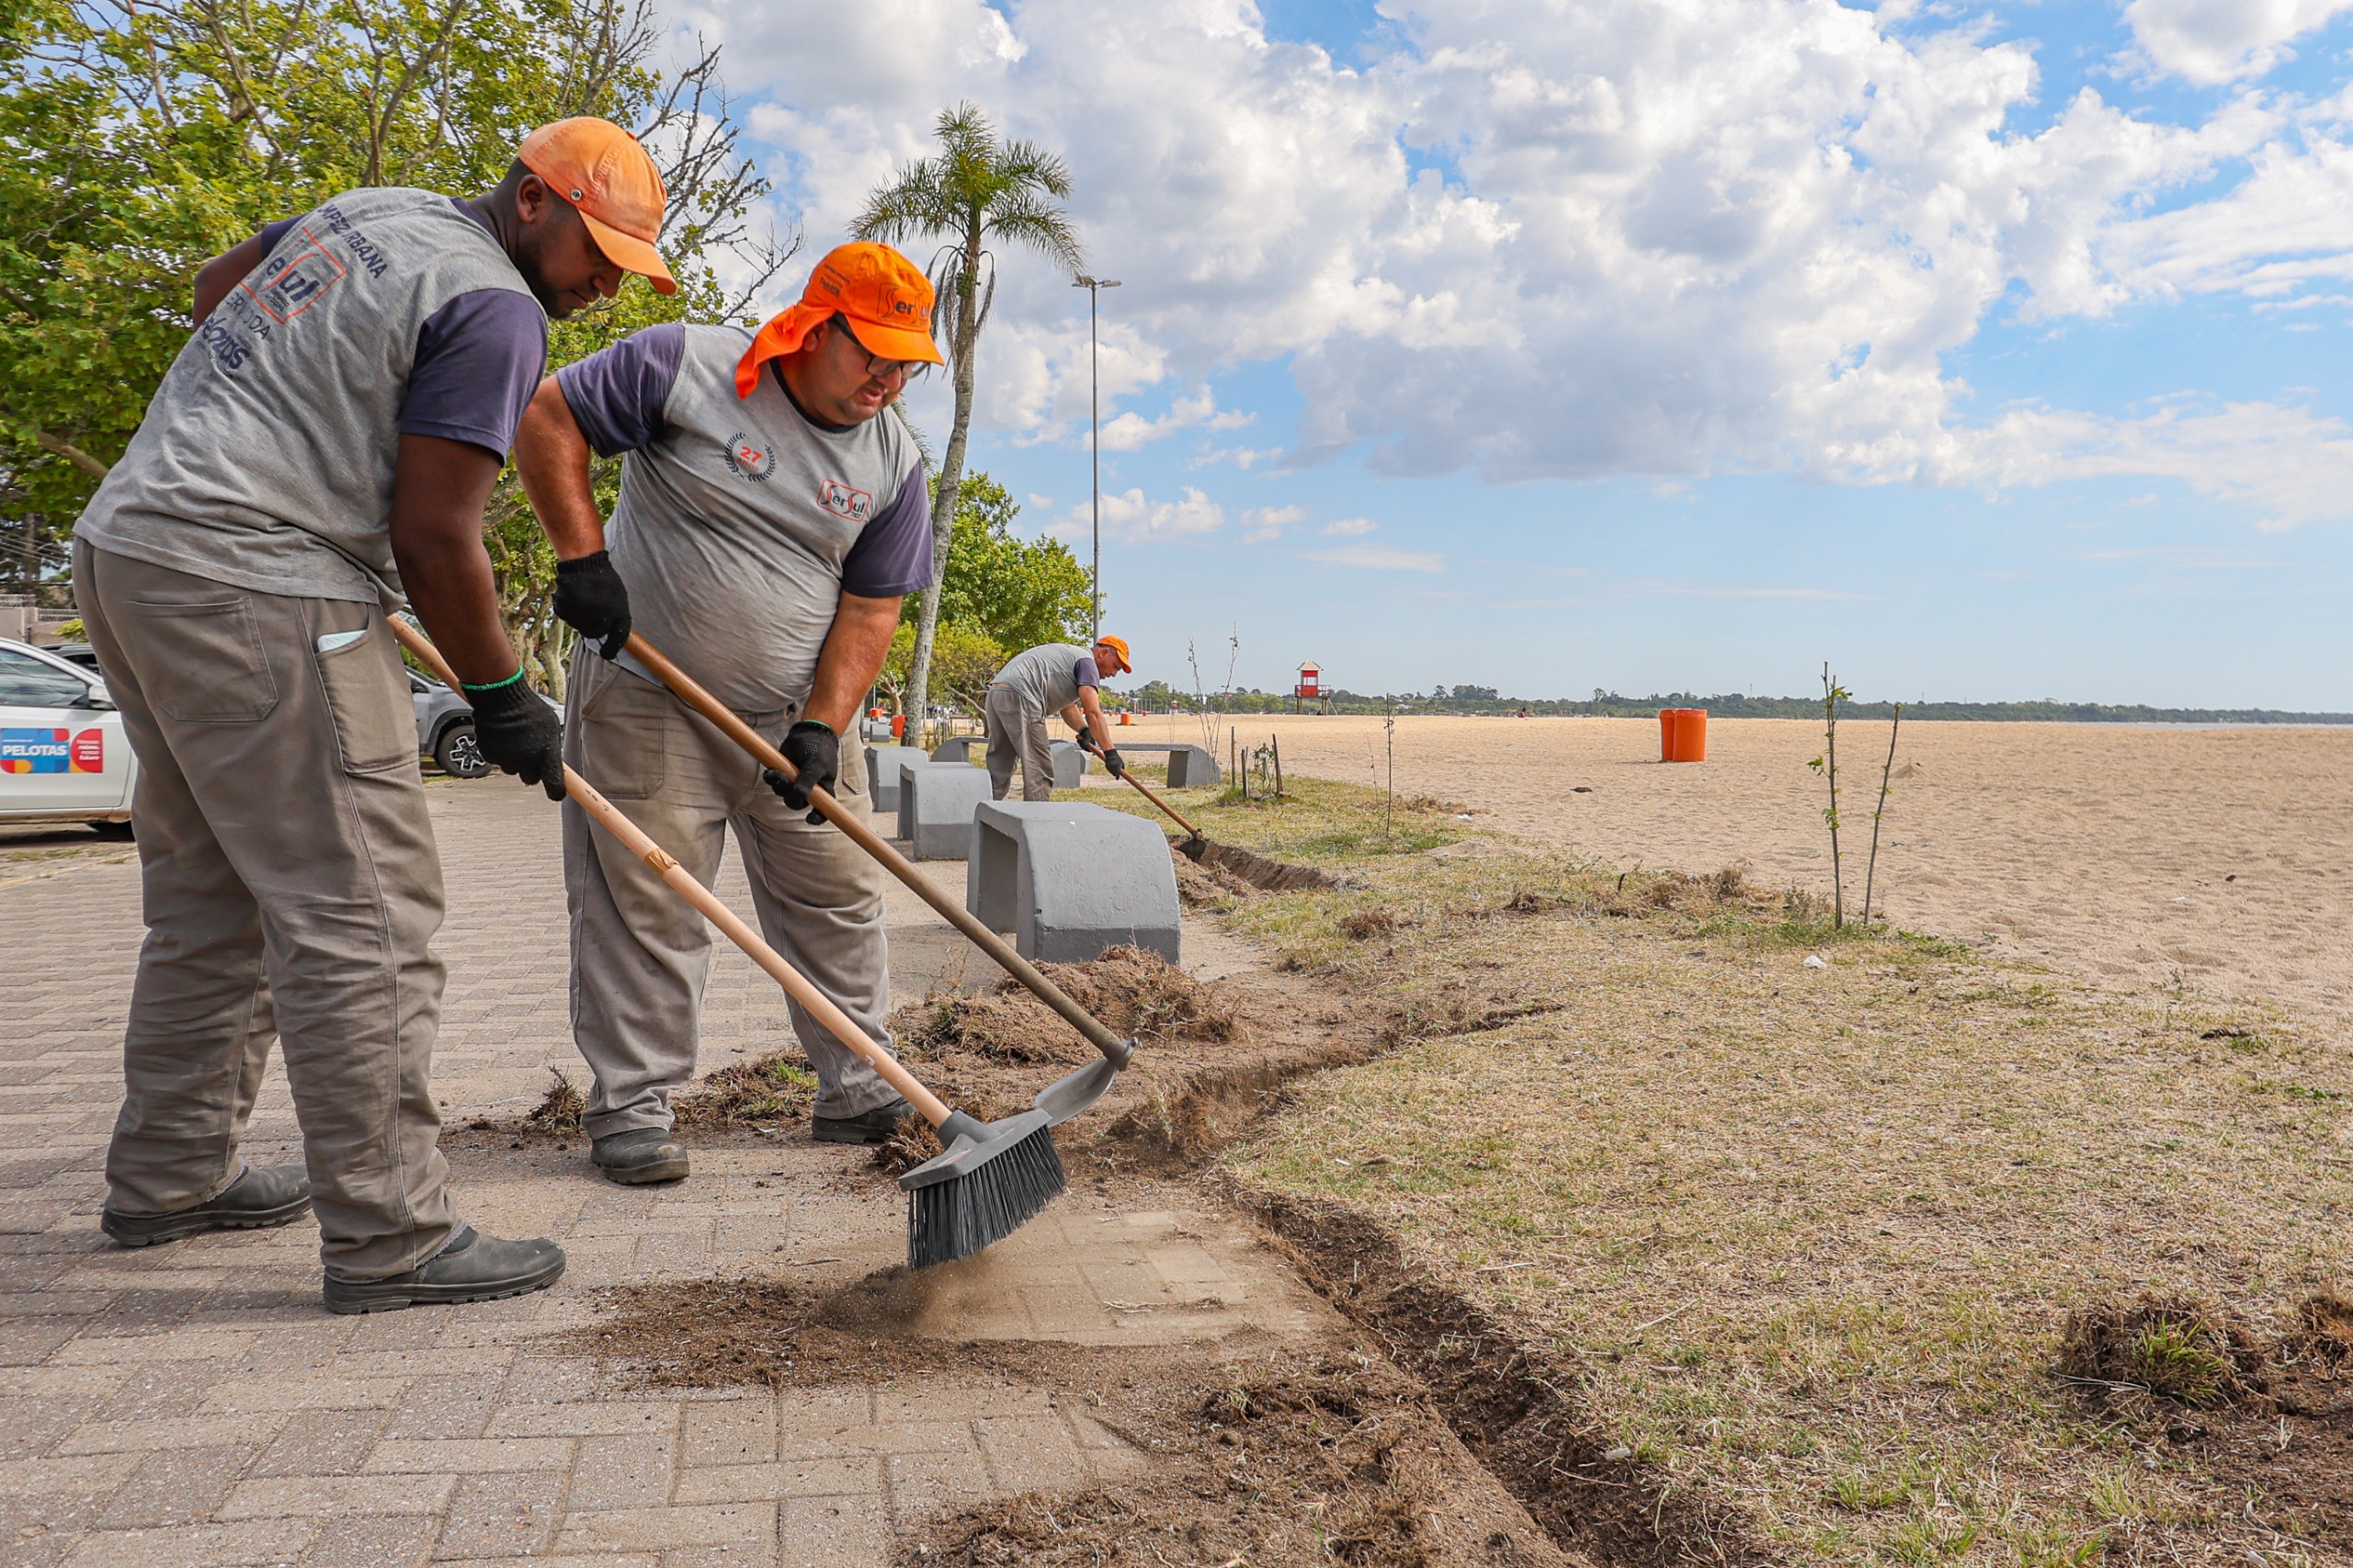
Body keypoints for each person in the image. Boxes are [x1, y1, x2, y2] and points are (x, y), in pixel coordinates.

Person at [70, 118, 675, 1312]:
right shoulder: (497, 307)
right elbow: (436, 533)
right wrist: (500, 696)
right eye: (599, 255)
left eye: (625, 271)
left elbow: (215, 287)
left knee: (213, 896)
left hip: (132, 548)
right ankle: (392, 1232)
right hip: (259, 579)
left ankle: (170, 1174)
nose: (604, 289)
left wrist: (274, 422)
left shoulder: (374, 213)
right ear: (534, 201)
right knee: (368, 912)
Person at [512, 242, 941, 1184]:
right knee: (646, 904)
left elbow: (872, 609)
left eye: (907, 363)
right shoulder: (687, 365)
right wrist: (581, 558)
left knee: (838, 896)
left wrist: (824, 724)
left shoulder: (895, 460)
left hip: (794, 716)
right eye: (874, 353)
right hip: (649, 698)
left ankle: (860, 1084)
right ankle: (634, 1106)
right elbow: (549, 416)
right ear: (814, 328)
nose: (889, 379)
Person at [985, 637, 1132, 801]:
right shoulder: (1087, 663)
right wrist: (1110, 753)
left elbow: (1067, 707)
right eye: (1115, 667)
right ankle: (1036, 815)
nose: (1113, 674)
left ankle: (982, 811)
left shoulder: (1072, 658)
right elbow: (1093, 713)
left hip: (997, 691)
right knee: (1039, 768)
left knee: (1000, 765)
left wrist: (1084, 730)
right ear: (1103, 653)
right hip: (1021, 694)